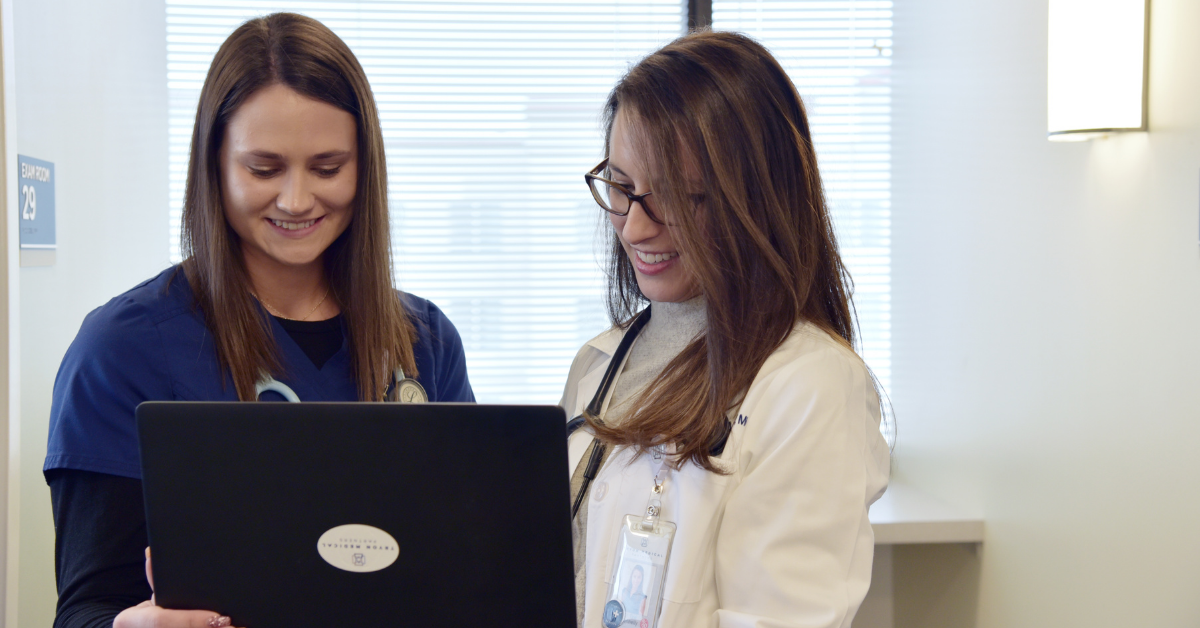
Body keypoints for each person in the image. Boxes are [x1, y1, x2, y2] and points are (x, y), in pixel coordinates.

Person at [44, 13, 474, 628]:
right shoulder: (123, 349)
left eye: (327, 168)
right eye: (264, 168)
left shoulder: (424, 344)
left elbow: (468, 566)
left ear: (365, 168)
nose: (297, 200)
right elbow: (83, 611)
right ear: (214, 165)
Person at [560, 30, 891, 627]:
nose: (635, 228)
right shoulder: (600, 361)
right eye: (622, 188)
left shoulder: (810, 385)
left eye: (682, 199)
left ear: (758, 198)